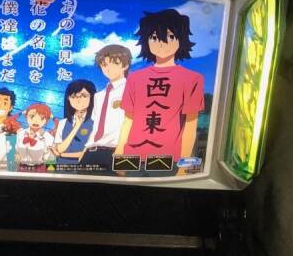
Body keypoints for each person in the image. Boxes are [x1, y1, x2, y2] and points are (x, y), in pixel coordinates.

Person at [114, 10, 205, 172]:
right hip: (133, 156)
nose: (162, 43)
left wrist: (184, 167)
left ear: (181, 40)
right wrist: (119, 153)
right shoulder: (135, 78)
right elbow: (128, 120)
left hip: (169, 159)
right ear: (146, 41)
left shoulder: (192, 79)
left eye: (170, 36)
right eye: (155, 37)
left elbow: (190, 125)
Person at [78, 44, 132, 172]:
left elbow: (132, 122)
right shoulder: (99, 96)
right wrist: (85, 149)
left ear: (125, 65)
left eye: (113, 63)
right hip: (91, 152)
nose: (108, 68)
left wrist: (121, 151)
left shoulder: (131, 90)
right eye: (104, 64)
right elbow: (96, 125)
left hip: (116, 151)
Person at [52, 79, 96, 170]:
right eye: (73, 96)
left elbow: (88, 153)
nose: (78, 100)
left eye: (84, 96)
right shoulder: (63, 122)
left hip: (84, 169)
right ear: (68, 99)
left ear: (92, 97)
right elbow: (59, 149)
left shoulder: (96, 122)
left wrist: (62, 154)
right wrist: (76, 127)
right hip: (62, 168)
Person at [14, 103, 56, 171]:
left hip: (40, 170)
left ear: (46, 121)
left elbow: (51, 159)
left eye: (41, 118)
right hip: (21, 169)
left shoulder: (48, 137)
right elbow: (17, 153)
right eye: (32, 116)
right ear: (26, 117)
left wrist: (51, 174)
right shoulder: (20, 133)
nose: (36, 121)